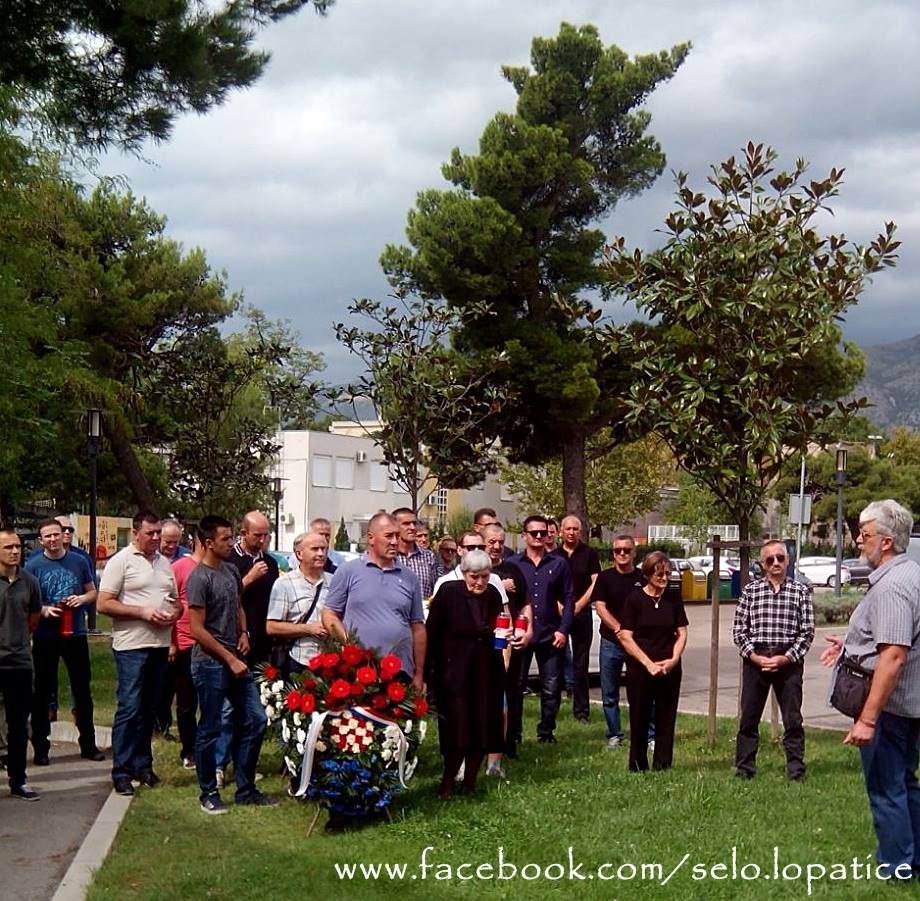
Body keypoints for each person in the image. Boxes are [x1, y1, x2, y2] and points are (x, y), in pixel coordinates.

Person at [821, 499, 920, 881]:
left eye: (864, 535)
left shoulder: (893, 587)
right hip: (907, 704)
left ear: (886, 543)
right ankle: (911, 858)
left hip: (890, 709)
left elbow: (893, 656)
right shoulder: (910, 574)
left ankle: (896, 867)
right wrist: (848, 644)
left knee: (886, 788)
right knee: (906, 783)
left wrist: (866, 719)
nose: (858, 541)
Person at [188, 515, 273, 814]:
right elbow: (197, 629)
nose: (230, 543)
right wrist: (229, 658)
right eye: (225, 539)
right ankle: (208, 793)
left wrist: (244, 633)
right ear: (208, 543)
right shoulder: (199, 578)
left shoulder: (230, 572)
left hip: (237, 658)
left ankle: (245, 788)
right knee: (210, 727)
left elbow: (237, 606)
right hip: (210, 663)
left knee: (256, 719)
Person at [97, 511, 180, 796]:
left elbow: (176, 602)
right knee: (130, 707)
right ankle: (121, 771)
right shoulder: (120, 562)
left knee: (150, 708)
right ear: (136, 533)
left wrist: (174, 613)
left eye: (159, 533)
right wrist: (142, 611)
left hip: (158, 644)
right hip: (132, 646)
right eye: (151, 533)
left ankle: (143, 766)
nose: (156, 538)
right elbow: (103, 604)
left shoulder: (164, 563)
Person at [426, 550, 505, 798]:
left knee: (483, 729)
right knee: (457, 732)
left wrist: (505, 639)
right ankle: (447, 782)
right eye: (474, 577)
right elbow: (432, 634)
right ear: (464, 573)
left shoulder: (492, 594)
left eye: (484, 576)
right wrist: (430, 673)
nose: (479, 582)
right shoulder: (448, 593)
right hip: (454, 675)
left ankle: (470, 782)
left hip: (485, 672)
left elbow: (497, 629)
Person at [25, 518, 104, 766]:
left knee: (82, 690)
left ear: (64, 535)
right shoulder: (33, 565)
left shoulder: (79, 561)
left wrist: (82, 600)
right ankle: (41, 746)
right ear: (41, 540)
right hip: (45, 635)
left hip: (76, 634)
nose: (53, 539)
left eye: (57, 534)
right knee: (42, 691)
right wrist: (45, 609)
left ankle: (88, 743)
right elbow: (27, 601)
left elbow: (93, 591)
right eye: (47, 536)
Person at [733, 539, 814, 781]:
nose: (776, 563)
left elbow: (807, 632)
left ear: (788, 561)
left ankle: (796, 770)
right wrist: (754, 656)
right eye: (770, 559)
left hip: (788, 661)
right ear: (762, 564)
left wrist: (786, 658)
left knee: (793, 719)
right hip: (755, 659)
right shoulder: (750, 591)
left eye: (780, 558)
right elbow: (739, 630)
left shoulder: (800, 592)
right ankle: (744, 769)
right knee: (748, 718)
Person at [322, 513, 426, 690]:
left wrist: (418, 673)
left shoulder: (410, 578)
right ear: (371, 538)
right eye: (388, 536)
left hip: (400, 672)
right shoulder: (348, 571)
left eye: (396, 536)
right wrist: (348, 644)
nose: (395, 542)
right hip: (358, 671)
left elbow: (417, 627)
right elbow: (329, 614)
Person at [619, 551, 688, 771]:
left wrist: (674, 659)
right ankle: (638, 765)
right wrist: (647, 663)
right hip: (641, 668)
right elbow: (625, 637)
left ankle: (663, 764)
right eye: (660, 574)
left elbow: (682, 633)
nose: (665, 578)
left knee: (666, 716)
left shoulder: (673, 599)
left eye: (668, 574)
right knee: (640, 715)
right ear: (648, 574)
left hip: (669, 666)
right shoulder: (635, 599)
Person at [512, 514, 574, 744]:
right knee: (516, 687)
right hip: (522, 635)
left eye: (543, 532)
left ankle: (546, 732)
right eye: (534, 533)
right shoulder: (514, 565)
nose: (539, 536)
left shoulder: (558, 564)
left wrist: (563, 630)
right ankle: (514, 734)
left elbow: (569, 598)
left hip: (550, 634)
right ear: (524, 535)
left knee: (550, 689)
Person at [482, 523, 532, 764]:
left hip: (510, 642)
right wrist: (501, 586)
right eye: (491, 541)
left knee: (512, 693)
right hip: (483, 643)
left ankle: (510, 742)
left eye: (501, 542)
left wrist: (527, 630)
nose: (497, 546)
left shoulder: (514, 569)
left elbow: (525, 604)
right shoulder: (474, 571)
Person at [592, 534, 646, 750]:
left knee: (642, 691)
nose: (622, 554)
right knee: (609, 692)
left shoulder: (643, 577)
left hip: (637, 643)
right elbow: (600, 607)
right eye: (617, 550)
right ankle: (615, 734)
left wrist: (632, 634)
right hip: (610, 642)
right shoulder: (605, 578)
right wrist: (619, 629)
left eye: (626, 550)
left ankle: (647, 735)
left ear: (634, 552)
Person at [0, 528, 42, 800]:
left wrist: (18, 640)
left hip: (19, 663)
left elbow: (34, 616)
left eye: (17, 547)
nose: (15, 551)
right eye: (8, 547)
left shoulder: (29, 581)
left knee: (18, 725)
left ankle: (18, 780)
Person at [555, 514, 601, 723]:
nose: (571, 533)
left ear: (580, 532)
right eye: (568, 529)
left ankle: (581, 711)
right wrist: (561, 608)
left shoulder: (589, 554)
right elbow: (550, 585)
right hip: (558, 615)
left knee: (580, 665)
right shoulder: (554, 555)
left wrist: (579, 605)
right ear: (560, 532)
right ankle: (551, 710)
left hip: (581, 614)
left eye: (575, 529)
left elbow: (596, 582)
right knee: (555, 663)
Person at [266, 530, 330, 677]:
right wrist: (308, 629)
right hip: (299, 660)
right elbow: (271, 627)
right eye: (315, 549)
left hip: (329, 661)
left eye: (324, 549)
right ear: (299, 554)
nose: (321, 553)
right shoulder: (284, 584)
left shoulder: (334, 581)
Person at [170, 536, 204, 769]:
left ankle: (208, 748)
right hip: (186, 643)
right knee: (186, 703)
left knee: (213, 702)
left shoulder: (221, 569)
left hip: (214, 644)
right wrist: (171, 642)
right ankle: (189, 749)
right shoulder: (179, 568)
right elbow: (171, 605)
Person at [227, 511, 279, 666]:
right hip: (236, 638)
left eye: (266, 535)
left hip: (263, 639)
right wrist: (249, 579)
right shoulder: (229, 560)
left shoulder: (270, 563)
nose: (262, 540)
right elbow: (225, 598)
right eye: (257, 535)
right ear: (244, 533)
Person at [433, 532, 511, 607]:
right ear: (459, 550)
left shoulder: (494, 579)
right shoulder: (445, 582)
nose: (476, 551)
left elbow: (505, 615)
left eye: (481, 548)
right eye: (471, 548)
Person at [393, 507, 439, 599]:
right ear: (394, 527)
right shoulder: (389, 557)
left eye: (414, 523)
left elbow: (434, 589)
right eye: (406, 524)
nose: (412, 527)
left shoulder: (428, 556)